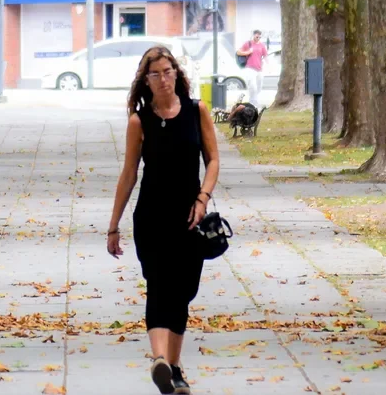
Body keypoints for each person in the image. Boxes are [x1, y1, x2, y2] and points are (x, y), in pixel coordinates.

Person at [107, 46, 220, 394]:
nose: (163, 79)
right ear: (146, 80)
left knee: (183, 292)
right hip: (152, 217)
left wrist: (203, 198)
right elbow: (128, 174)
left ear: (177, 73)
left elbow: (213, 160)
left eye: (167, 71)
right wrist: (113, 225)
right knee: (158, 287)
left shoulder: (196, 111)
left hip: (190, 217)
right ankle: (160, 360)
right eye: (154, 74)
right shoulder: (138, 121)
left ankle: (173, 366)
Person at [237, 29, 268, 106]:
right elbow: (238, 52)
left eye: (259, 37)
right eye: (257, 36)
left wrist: (269, 65)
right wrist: (248, 52)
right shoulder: (248, 44)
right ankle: (253, 103)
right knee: (252, 86)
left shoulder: (262, 45)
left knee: (259, 87)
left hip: (259, 69)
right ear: (254, 35)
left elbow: (265, 56)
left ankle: (254, 100)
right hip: (250, 68)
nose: (258, 38)